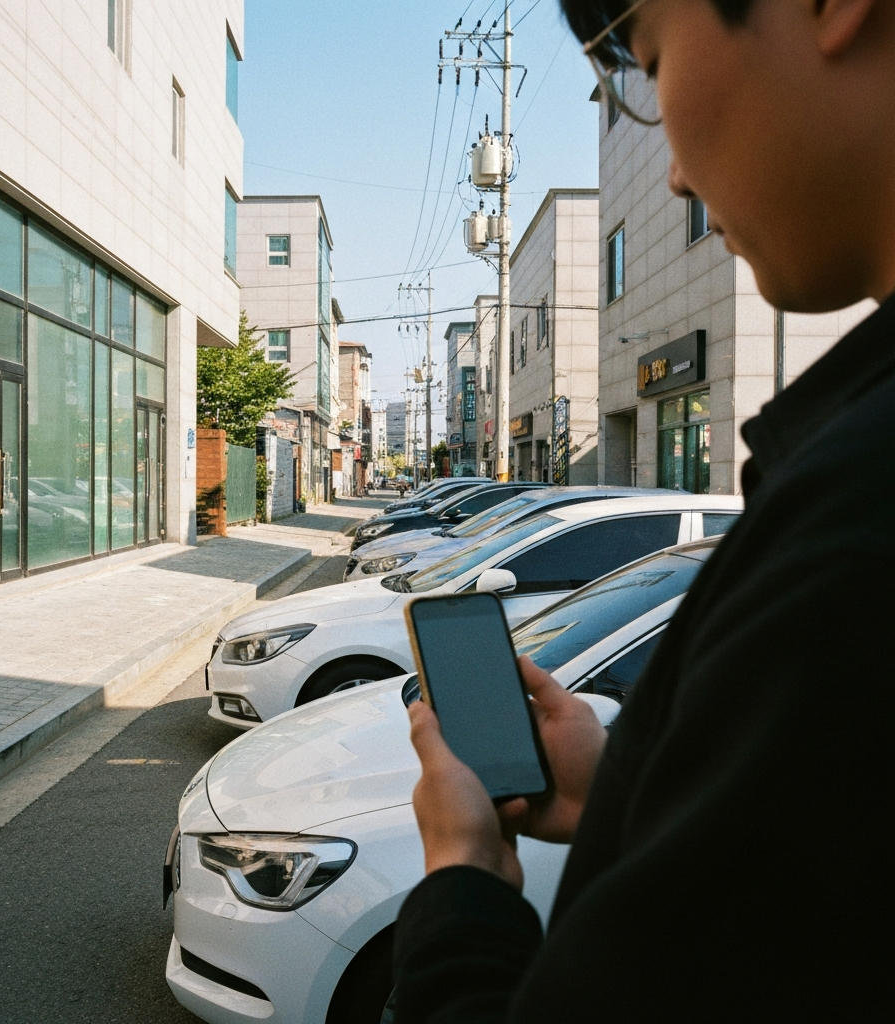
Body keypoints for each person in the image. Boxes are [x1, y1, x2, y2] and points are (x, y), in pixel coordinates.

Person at [394, 0, 894, 1019]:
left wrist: (461, 883)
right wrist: (628, 788)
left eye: (652, 63)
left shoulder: (855, 531)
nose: (672, 174)